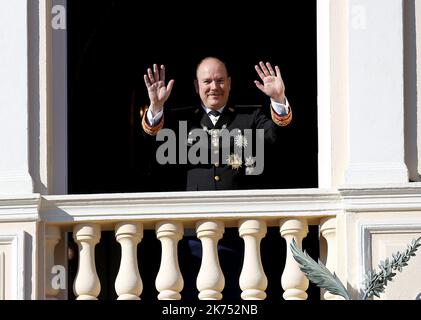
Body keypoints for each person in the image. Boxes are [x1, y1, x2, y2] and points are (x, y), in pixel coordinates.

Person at [141, 57, 292, 191]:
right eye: (207, 81)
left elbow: (277, 139)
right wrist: (156, 106)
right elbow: (149, 146)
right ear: (196, 86)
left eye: (220, 81)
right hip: (192, 214)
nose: (214, 87)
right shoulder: (180, 120)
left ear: (229, 83)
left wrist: (278, 99)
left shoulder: (250, 117)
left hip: (240, 214)